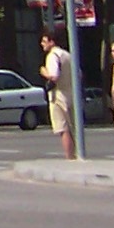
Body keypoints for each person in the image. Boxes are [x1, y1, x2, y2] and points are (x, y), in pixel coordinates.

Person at [39, 31, 76, 160]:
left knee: (63, 128)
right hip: (72, 93)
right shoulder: (67, 55)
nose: (42, 44)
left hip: (58, 95)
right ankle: (76, 154)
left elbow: (54, 75)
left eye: (44, 41)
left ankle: (70, 157)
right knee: (72, 128)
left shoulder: (52, 56)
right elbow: (79, 74)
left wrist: (44, 72)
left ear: (51, 42)